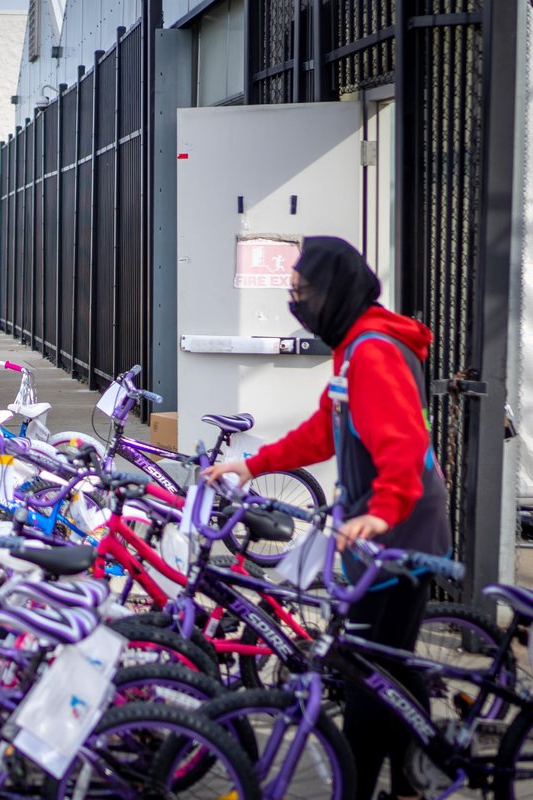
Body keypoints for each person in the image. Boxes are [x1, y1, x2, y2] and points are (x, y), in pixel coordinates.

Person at [205, 236, 450, 800]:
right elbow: (324, 429)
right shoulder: (354, 346)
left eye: (305, 293)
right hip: (388, 519)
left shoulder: (375, 350)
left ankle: (361, 785)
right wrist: (252, 464)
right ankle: (414, 781)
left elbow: (404, 445)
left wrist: (380, 515)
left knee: (366, 670)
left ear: (336, 290)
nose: (299, 304)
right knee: (390, 662)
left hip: (398, 524)